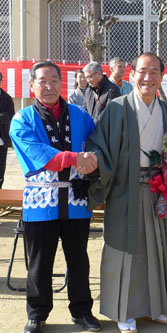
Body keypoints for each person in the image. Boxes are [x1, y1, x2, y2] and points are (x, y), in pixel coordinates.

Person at [86, 52, 167, 333]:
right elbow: (99, 146)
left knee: (154, 248)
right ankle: (123, 311)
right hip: (124, 188)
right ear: (132, 74)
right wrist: (94, 162)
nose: (148, 77)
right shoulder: (116, 108)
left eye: (154, 72)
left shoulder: (165, 111)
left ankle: (156, 307)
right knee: (122, 250)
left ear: (161, 77)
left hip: (155, 189)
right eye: (142, 71)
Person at [9, 61, 100, 333]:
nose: (48, 86)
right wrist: (77, 158)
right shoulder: (22, 118)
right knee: (39, 262)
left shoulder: (80, 114)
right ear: (31, 85)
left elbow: (96, 142)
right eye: (42, 80)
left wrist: (94, 158)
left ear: (62, 83)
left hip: (76, 199)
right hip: (40, 201)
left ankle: (82, 311)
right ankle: (37, 314)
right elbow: (36, 153)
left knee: (79, 260)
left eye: (53, 80)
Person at [0, 71, 15, 188]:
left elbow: (11, 114)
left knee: (0, 168)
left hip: (2, 138)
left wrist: (1, 117)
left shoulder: (7, 98)